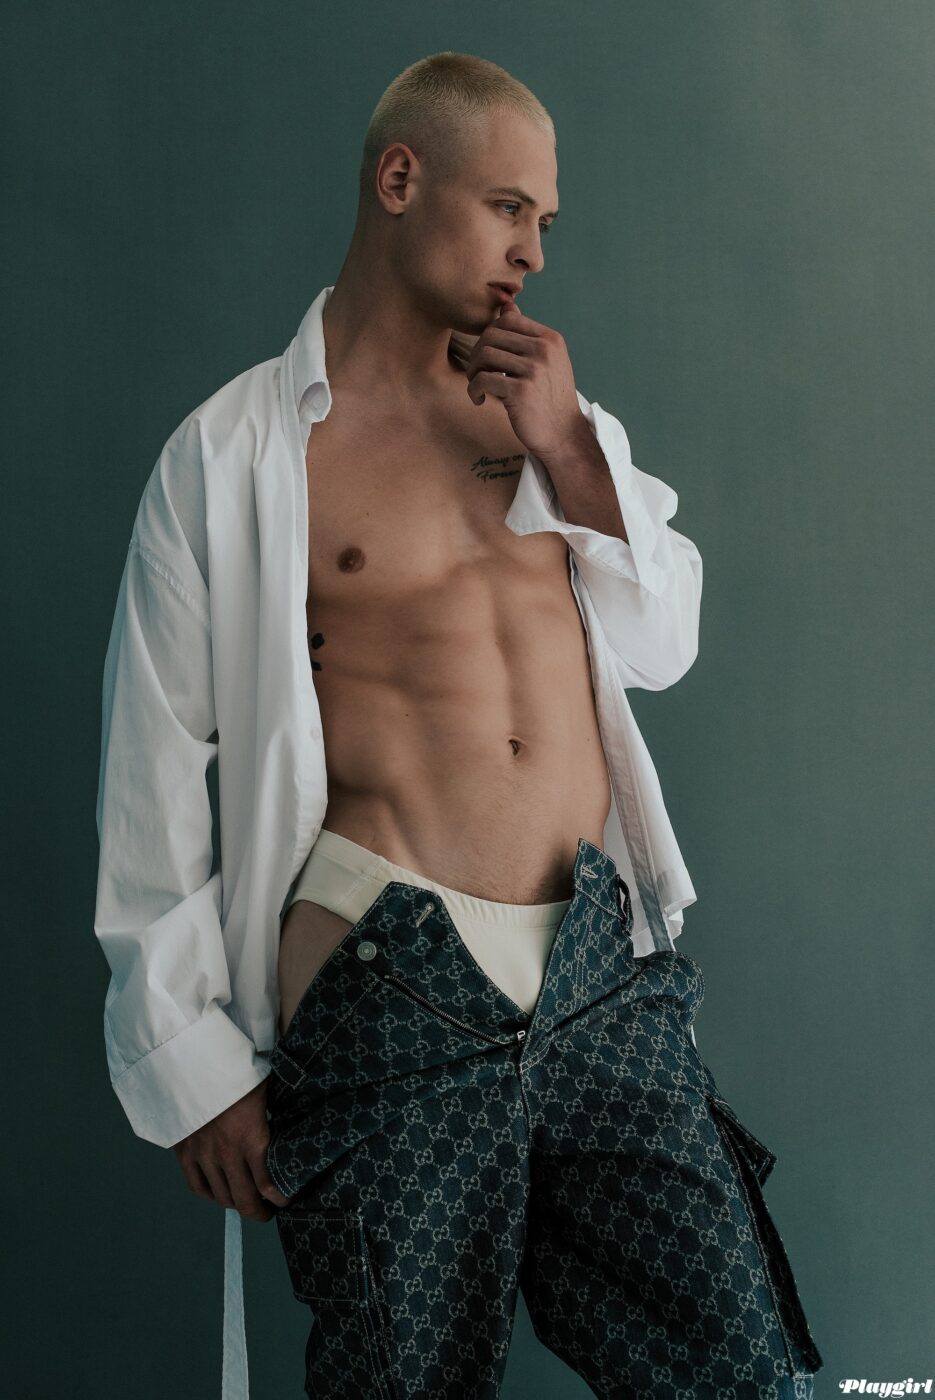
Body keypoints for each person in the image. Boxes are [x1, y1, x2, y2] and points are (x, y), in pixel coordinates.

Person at [93, 50, 823, 1400]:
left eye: (545, 221)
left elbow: (666, 643)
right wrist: (195, 1066)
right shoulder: (236, 455)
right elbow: (153, 770)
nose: (533, 251)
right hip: (389, 984)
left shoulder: (557, 425)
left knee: (737, 1368)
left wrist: (569, 448)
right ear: (400, 178)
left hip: (601, 973)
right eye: (508, 208)